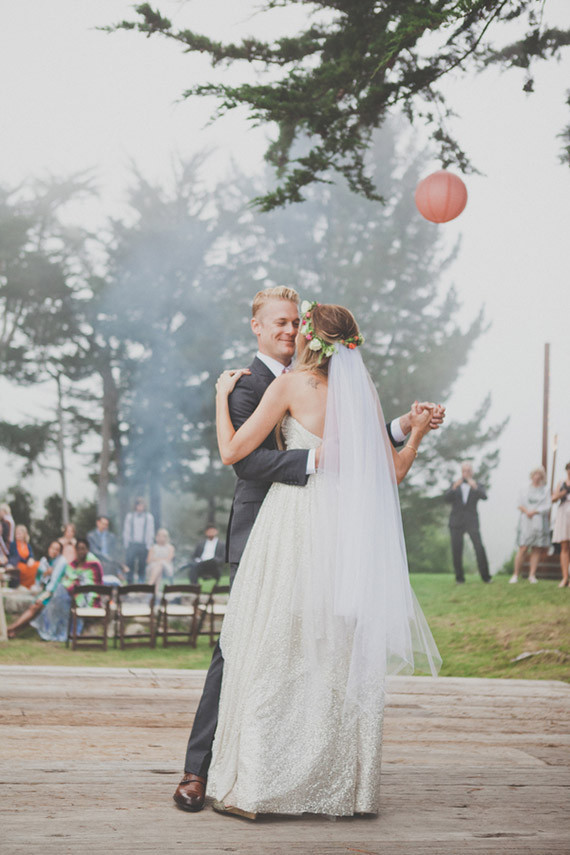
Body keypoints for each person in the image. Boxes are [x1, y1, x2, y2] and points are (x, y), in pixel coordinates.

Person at [173, 287, 445, 815]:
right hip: (279, 527)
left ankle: (270, 772)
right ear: (257, 327)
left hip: (302, 527)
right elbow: (254, 465)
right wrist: (396, 438)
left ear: (310, 334)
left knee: (301, 647)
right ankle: (200, 771)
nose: (289, 329)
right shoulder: (252, 384)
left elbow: (248, 448)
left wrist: (395, 431)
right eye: (279, 322)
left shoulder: (301, 385)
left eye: (295, 322)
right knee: (248, 650)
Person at [7, 541, 68, 638]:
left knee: (35, 607)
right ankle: (13, 631)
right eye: (53, 548)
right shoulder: (46, 561)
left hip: (56, 594)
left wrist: (43, 596)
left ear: (60, 552)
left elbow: (54, 583)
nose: (54, 551)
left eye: (57, 549)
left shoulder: (61, 562)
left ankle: (10, 629)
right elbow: (39, 579)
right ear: (49, 548)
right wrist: (45, 574)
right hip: (46, 591)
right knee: (35, 610)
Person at [444, 462, 491, 583]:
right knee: (457, 550)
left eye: (469, 470)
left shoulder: (478, 485)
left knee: (479, 548)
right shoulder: (455, 485)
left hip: (472, 522)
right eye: (464, 470)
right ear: (461, 472)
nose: (466, 473)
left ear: (472, 472)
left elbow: (485, 496)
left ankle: (486, 577)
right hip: (456, 522)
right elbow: (446, 499)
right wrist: (454, 487)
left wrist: (474, 486)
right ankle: (459, 578)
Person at [509, 467, 551, 584]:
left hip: (539, 522)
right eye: (535, 474)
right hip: (526, 521)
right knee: (523, 547)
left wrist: (535, 511)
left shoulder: (545, 490)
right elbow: (519, 503)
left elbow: (548, 505)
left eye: (539, 474)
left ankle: (532, 575)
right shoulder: (524, 488)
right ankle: (515, 574)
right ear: (532, 475)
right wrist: (527, 511)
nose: (537, 477)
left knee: (536, 548)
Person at [123, 498, 155, 584]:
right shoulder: (130, 516)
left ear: (144, 506)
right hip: (132, 544)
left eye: (142, 505)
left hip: (143, 544)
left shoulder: (149, 517)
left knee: (142, 565)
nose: (140, 507)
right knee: (130, 564)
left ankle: (141, 583)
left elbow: (150, 532)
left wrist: (149, 546)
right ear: (135, 506)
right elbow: (127, 531)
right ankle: (130, 582)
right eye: (138, 505)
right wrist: (127, 545)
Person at [552, 462, 570, 588]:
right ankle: (565, 578)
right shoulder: (561, 483)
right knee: (564, 547)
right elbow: (553, 499)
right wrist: (560, 494)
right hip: (564, 513)